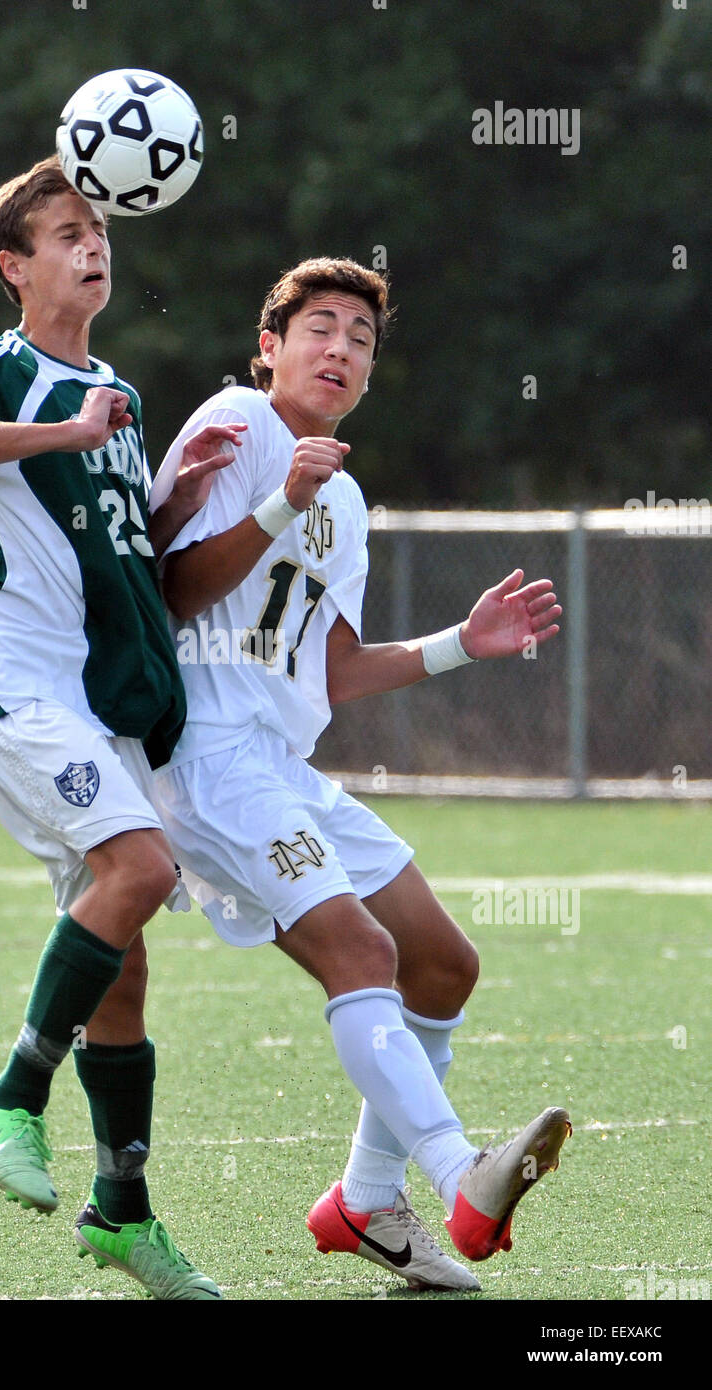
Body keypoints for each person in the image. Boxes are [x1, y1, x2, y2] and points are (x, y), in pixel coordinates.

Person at [149, 256, 570, 1292]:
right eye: (318, 328)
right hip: (203, 753)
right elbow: (166, 592)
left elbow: (331, 667)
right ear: (268, 348)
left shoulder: (343, 493)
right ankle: (456, 1174)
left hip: (280, 765)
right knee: (361, 948)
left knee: (441, 961)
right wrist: (277, 505)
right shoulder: (236, 426)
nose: (339, 349)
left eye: (360, 339)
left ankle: (362, 1204)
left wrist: (458, 644)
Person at [0, 155, 244, 1300]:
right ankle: (8, 1094)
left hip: (91, 704)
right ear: (14, 265)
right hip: (10, 682)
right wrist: (65, 434)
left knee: (126, 968)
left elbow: (112, 542)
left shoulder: (121, 397)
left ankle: (122, 1213)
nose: (93, 246)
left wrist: (175, 497)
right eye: (64, 233)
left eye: (99, 230)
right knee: (138, 865)